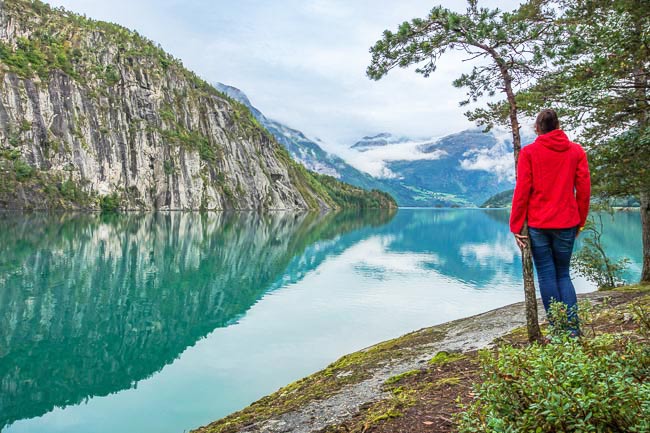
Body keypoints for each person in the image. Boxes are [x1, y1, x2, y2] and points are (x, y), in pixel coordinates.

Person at [510, 109, 591, 336]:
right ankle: (573, 330)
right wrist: (580, 222)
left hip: (538, 224)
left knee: (546, 274)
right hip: (567, 223)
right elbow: (584, 190)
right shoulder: (576, 151)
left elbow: (522, 190)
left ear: (538, 128)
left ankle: (558, 330)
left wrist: (516, 225)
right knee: (563, 274)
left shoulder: (529, 152)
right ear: (558, 126)